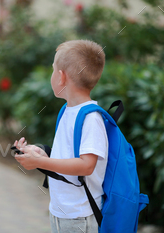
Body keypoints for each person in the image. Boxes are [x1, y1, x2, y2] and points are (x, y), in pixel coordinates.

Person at [13, 39, 107, 233]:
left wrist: (41, 164)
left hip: (80, 215)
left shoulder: (91, 118)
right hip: (61, 211)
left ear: (61, 77)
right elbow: (68, 159)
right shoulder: (67, 110)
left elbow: (86, 166)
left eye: (53, 69)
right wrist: (42, 155)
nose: (52, 75)